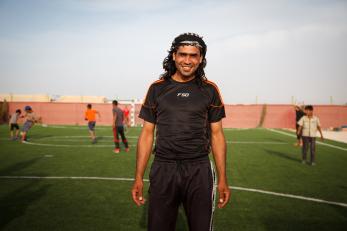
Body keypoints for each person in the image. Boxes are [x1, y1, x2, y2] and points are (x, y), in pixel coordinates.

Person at [131, 33, 231, 231]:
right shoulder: (157, 89)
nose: (187, 60)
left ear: (201, 58)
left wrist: (223, 178)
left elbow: (217, 135)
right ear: (174, 56)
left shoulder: (210, 90)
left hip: (199, 169)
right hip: (163, 167)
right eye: (182, 54)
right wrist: (138, 176)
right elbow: (147, 134)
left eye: (193, 55)